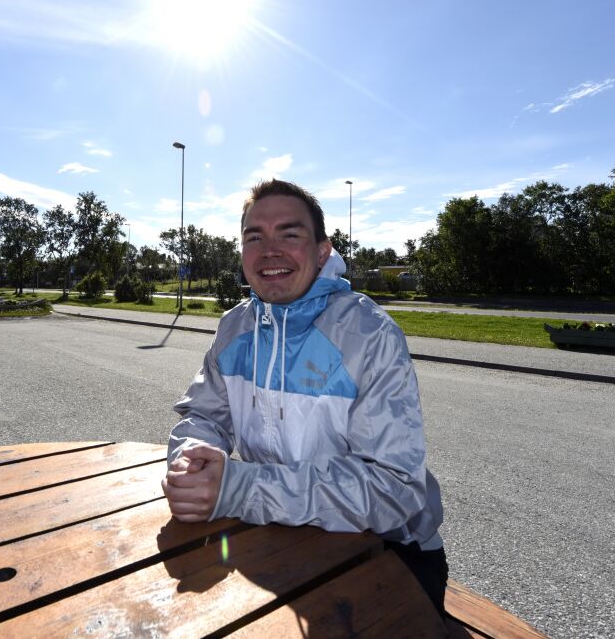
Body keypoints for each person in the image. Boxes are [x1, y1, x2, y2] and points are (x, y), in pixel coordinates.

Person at [162, 178, 448, 614]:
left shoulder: (368, 335)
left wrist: (240, 490)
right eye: (254, 237)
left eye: (289, 234)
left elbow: (395, 492)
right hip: (277, 542)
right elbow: (203, 414)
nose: (269, 250)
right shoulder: (234, 328)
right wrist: (194, 458)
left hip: (389, 555)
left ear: (322, 252)